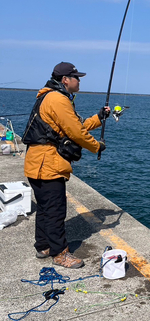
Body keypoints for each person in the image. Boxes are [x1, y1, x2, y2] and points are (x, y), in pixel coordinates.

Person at [23, 62, 109, 269]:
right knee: (55, 210)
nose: (79, 81)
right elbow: (77, 133)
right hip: (47, 165)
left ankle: (43, 246)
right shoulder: (57, 99)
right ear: (65, 80)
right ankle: (60, 253)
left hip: (38, 162)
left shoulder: (52, 97)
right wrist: (97, 146)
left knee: (45, 208)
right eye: (76, 77)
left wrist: (99, 118)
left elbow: (74, 126)